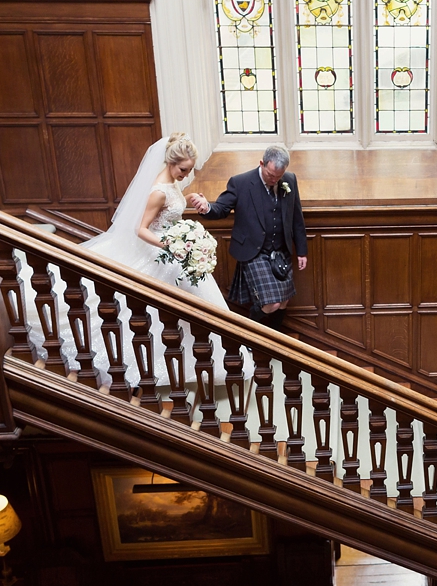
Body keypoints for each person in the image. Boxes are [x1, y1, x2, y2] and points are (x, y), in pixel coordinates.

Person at [22, 133, 249, 392]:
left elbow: (169, 216)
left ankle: (208, 364)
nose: (186, 175)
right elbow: (141, 229)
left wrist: (187, 218)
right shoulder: (157, 192)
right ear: (170, 163)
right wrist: (170, 245)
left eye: (189, 170)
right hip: (161, 252)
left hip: (174, 251)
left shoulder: (172, 184)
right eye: (183, 170)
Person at [195, 145, 307, 331]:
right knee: (271, 304)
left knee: (284, 300)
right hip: (255, 252)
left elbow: (296, 216)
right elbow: (221, 209)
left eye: (279, 176)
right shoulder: (241, 182)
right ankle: (248, 333)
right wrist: (206, 208)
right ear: (262, 163)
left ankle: (274, 337)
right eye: (271, 175)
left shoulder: (290, 180)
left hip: (281, 251)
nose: (275, 180)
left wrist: (302, 250)